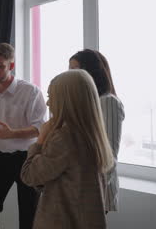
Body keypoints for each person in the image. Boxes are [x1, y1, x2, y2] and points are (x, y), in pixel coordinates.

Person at [21, 69, 114, 229]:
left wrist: (40, 140)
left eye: (51, 97)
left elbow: (29, 175)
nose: (48, 103)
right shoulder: (92, 134)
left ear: (67, 100)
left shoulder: (65, 138)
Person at [0, 43, 47, 229]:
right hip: (0, 157)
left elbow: (42, 128)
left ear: (11, 66)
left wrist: (12, 133)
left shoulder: (31, 92)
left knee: (29, 214)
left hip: (28, 158)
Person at [69, 49, 125, 212]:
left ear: (90, 73)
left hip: (94, 192)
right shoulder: (83, 101)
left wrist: (88, 192)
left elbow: (108, 157)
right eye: (69, 70)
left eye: (75, 70)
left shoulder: (108, 102)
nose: (70, 75)